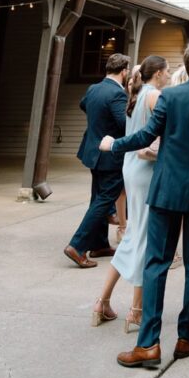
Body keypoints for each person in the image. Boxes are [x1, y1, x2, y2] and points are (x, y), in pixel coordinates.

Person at [98, 37, 189, 370]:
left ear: (187, 65)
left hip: (168, 189)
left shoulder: (170, 96)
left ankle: (148, 344)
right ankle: (187, 337)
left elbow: (146, 135)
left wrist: (114, 144)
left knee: (156, 262)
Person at [91, 55, 170, 329]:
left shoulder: (135, 96)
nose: (168, 75)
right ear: (157, 73)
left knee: (134, 235)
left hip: (132, 168)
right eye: (167, 71)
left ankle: (102, 301)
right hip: (146, 169)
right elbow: (162, 133)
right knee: (145, 239)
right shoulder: (155, 95)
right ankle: (136, 310)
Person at [64, 52, 130, 268]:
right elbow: (124, 125)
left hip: (92, 151)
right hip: (110, 155)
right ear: (124, 72)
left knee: (98, 198)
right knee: (104, 200)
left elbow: (84, 105)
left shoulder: (94, 88)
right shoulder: (117, 94)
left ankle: (99, 244)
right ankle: (77, 246)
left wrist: (99, 120)